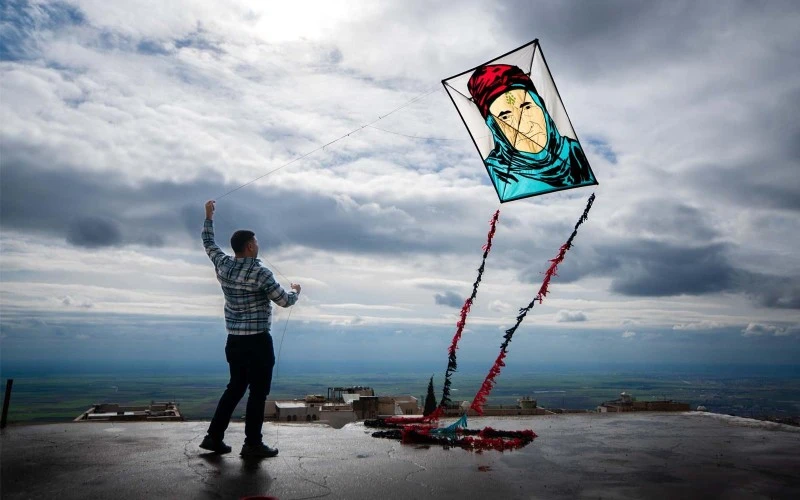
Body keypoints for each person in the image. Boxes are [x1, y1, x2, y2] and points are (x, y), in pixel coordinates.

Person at [199, 200, 301, 458]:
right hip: (258, 342)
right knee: (258, 393)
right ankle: (252, 444)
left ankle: (213, 437)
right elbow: (284, 301)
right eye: (255, 242)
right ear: (250, 246)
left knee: (234, 388)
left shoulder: (223, 265)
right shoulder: (260, 273)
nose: (258, 245)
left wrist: (209, 217)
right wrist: (296, 292)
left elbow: (209, 244)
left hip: (234, 341)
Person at [467, 63, 596, 202]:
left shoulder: (575, 154)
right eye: (505, 117)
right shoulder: (498, 172)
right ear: (494, 127)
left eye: (527, 107)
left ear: (541, 106)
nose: (525, 125)